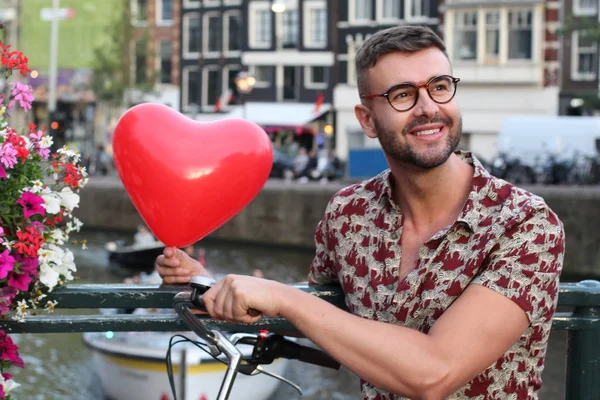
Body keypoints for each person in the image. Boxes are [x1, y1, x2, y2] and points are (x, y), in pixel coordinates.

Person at [155, 25, 565, 399]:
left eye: (439, 86)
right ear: (367, 120)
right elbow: (327, 317)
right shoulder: (348, 213)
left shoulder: (526, 225)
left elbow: (434, 374)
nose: (428, 107)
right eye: (403, 94)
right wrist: (208, 284)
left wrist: (282, 297)